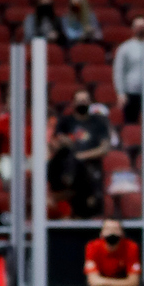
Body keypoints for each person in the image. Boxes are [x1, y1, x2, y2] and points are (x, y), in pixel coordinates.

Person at [48, 88, 111, 218]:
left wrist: (81, 156)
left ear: (90, 102)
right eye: (79, 100)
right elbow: (56, 142)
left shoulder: (99, 123)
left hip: (91, 171)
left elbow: (104, 148)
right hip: (68, 170)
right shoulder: (65, 121)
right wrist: (64, 143)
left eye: (85, 100)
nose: (82, 103)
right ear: (73, 103)